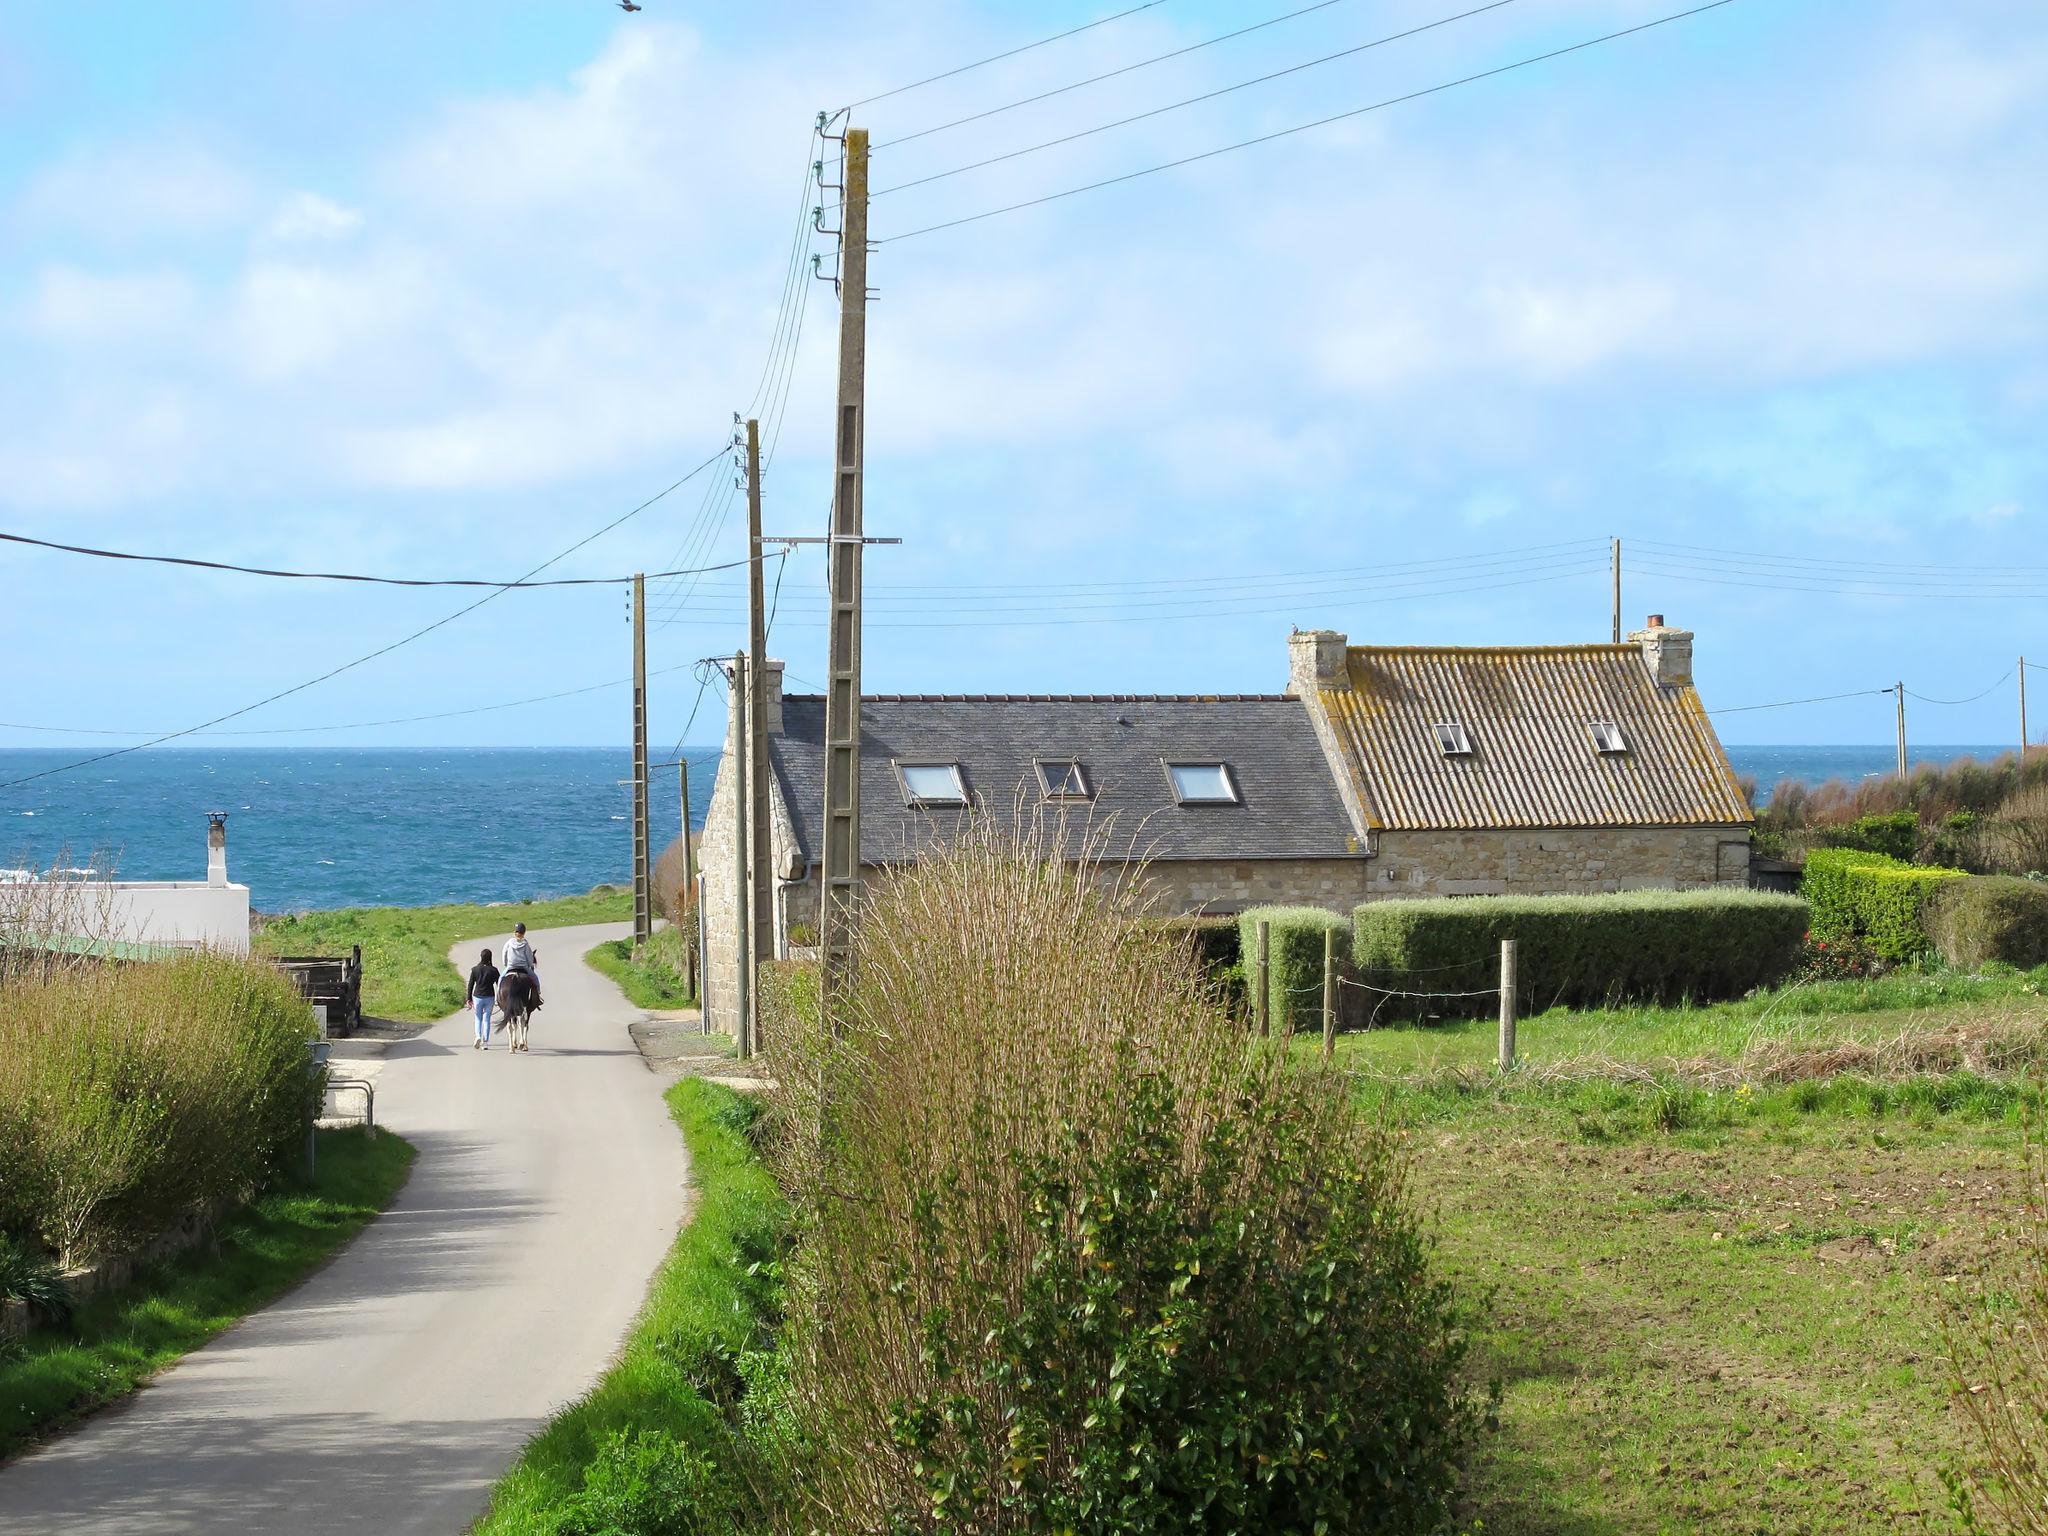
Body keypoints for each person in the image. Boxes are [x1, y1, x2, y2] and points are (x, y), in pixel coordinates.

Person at [502, 921, 542, 1010]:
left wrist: (505, 964)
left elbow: (504, 953)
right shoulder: (525, 944)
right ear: (523, 933)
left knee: (501, 978)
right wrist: (529, 965)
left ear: (515, 932)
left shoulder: (509, 943)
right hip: (523, 967)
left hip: (511, 966)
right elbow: (529, 958)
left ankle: (498, 998)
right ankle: (538, 996)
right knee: (535, 979)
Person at [467, 948, 500, 1050]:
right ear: (490, 957)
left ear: (481, 957)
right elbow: (499, 985)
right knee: (486, 1020)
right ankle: (485, 1042)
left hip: (477, 996)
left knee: (478, 1018)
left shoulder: (475, 969)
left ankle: (478, 1036)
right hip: (490, 996)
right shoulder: (494, 970)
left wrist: (469, 999)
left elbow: (470, 985)